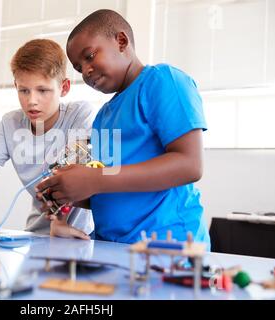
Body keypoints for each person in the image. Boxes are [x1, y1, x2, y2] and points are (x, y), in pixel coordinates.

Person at [35, 10, 210, 246]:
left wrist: (95, 179)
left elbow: (190, 165)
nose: (85, 71)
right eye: (78, 68)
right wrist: (71, 192)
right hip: (112, 246)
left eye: (89, 56)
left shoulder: (162, 81)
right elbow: (114, 184)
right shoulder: (103, 117)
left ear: (121, 41)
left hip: (169, 246)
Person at [0, 39, 94, 240]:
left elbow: (70, 175)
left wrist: (59, 222)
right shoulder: (10, 123)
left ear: (64, 88)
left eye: (42, 90)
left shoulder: (80, 114)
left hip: (78, 235)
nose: (31, 101)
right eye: (24, 90)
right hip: (35, 236)